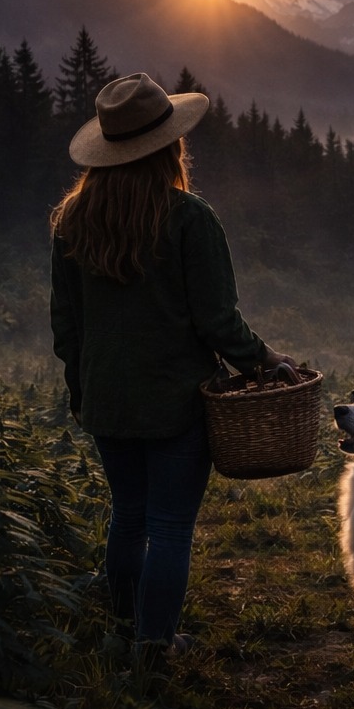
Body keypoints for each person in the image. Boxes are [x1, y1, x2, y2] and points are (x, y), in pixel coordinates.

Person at [49, 72, 295, 659]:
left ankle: (125, 629)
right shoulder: (188, 219)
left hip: (107, 399)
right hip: (177, 401)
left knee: (128, 517)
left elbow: (67, 325)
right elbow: (216, 320)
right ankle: (155, 646)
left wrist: (82, 387)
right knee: (169, 528)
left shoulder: (73, 223)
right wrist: (265, 361)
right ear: (170, 145)